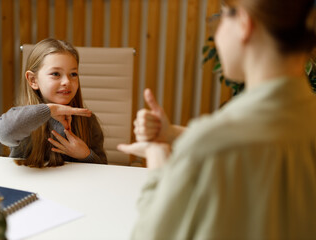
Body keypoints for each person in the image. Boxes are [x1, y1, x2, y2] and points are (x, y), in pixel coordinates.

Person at [118, 0, 316, 238]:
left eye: (220, 19)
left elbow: (150, 234)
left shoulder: (211, 144)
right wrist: (171, 134)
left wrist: (157, 154)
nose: (217, 33)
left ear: (244, 23)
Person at [0, 38, 107, 167]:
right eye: (55, 74)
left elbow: (103, 169)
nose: (67, 82)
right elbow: (4, 132)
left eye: (73, 74)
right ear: (33, 80)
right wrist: (50, 111)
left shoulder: (89, 121)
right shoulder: (24, 120)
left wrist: (86, 155)